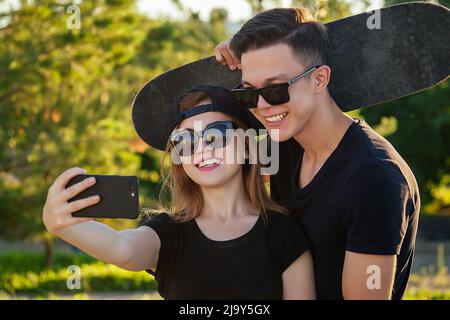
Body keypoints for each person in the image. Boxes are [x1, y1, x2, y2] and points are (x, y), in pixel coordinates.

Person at [215, 7, 420, 299]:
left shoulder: (373, 178)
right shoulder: (283, 145)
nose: (261, 106)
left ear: (320, 79)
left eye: (276, 90)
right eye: (247, 93)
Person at [42, 84, 316, 300]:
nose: (202, 149)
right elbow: (124, 249)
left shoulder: (283, 233)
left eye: (217, 134)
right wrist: (61, 225)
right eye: (185, 141)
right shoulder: (168, 233)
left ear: (246, 146)